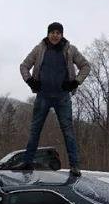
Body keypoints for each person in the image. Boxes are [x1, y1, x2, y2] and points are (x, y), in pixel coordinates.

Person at [19, 22, 90, 176]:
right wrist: (30, 81)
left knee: (68, 132)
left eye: (58, 33)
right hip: (43, 96)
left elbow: (85, 66)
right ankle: (27, 162)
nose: (55, 35)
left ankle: (75, 166)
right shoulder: (39, 49)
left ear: (62, 35)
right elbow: (24, 66)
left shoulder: (70, 50)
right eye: (53, 32)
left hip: (62, 98)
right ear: (48, 33)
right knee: (35, 130)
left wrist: (75, 82)